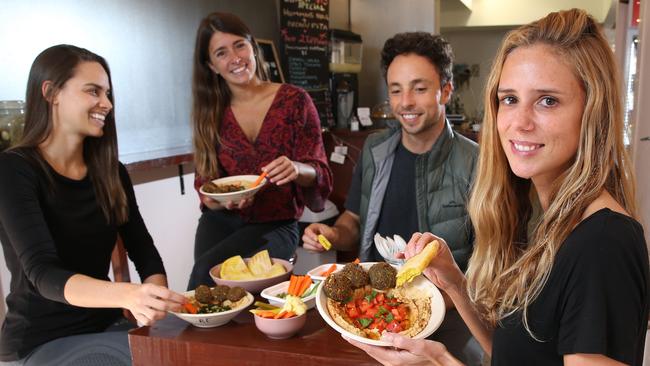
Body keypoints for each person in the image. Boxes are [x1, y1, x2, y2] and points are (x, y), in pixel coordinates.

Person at [347, 8, 649, 366]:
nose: (519, 122)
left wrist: (441, 363)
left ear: (592, 111)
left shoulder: (603, 243)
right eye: (509, 99)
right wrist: (455, 283)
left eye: (547, 100)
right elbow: (512, 354)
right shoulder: (543, 217)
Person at [0, 45, 186, 366]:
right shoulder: (14, 169)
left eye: (108, 93)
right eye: (93, 91)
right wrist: (129, 294)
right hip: (40, 341)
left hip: (105, 326)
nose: (107, 104)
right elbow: (43, 274)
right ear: (51, 92)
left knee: (184, 351)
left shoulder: (111, 171)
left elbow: (144, 251)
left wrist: (156, 304)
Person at [303, 32, 481, 364]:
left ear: (446, 90)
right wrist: (331, 234)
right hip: (369, 312)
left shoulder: (478, 163)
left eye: (419, 88)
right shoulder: (375, 149)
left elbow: (491, 269)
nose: (405, 103)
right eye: (396, 90)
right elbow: (353, 221)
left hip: (448, 321)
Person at [187, 12, 332, 289]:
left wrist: (296, 168)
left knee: (213, 274)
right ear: (212, 65)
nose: (235, 58)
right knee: (206, 291)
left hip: (275, 224)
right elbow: (207, 190)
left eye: (240, 45)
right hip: (220, 221)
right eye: (221, 53)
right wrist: (224, 201)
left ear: (253, 46)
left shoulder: (294, 101)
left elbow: (320, 173)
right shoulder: (209, 113)